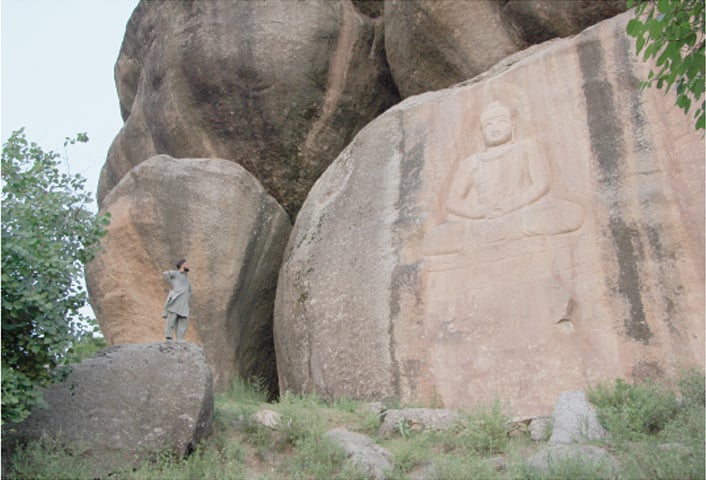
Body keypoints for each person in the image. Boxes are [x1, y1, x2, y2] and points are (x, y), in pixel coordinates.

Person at [421, 100, 583, 256]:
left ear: (513, 125)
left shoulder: (527, 148)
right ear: (481, 132)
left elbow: (541, 184)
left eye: (501, 122)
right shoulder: (471, 162)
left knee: (569, 214)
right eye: (488, 125)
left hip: (521, 214)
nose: (495, 128)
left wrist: (509, 206)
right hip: (482, 221)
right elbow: (453, 202)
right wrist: (478, 212)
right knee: (431, 240)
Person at [162, 259, 192, 341]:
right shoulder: (176, 273)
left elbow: (189, 289)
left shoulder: (186, 277)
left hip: (184, 303)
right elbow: (165, 273)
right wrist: (171, 284)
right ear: (182, 265)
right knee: (172, 319)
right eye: (187, 264)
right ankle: (169, 337)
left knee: (184, 320)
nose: (188, 266)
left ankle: (180, 338)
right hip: (176, 301)